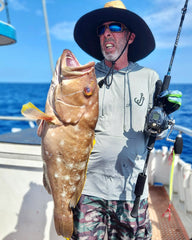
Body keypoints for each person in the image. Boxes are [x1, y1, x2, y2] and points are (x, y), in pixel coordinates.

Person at [71, 1, 182, 239]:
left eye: (114, 27)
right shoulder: (84, 77)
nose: (106, 33)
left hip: (132, 190)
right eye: (101, 30)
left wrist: (165, 119)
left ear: (130, 37)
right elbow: (69, 123)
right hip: (88, 190)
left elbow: (159, 131)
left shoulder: (149, 77)